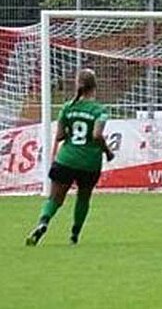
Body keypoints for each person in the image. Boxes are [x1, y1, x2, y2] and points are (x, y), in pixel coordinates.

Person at [26, 69, 114, 246]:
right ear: (95, 86)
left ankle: (43, 222)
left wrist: (70, 130)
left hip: (66, 159)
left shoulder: (68, 107)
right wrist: (107, 151)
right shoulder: (100, 110)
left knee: (55, 198)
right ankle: (74, 235)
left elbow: (59, 136)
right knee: (83, 197)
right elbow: (97, 135)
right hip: (89, 163)